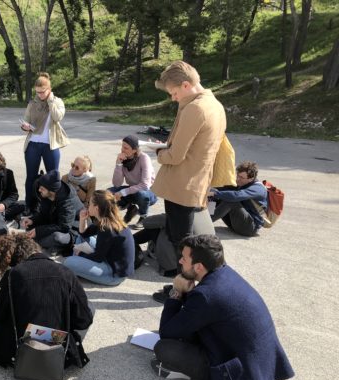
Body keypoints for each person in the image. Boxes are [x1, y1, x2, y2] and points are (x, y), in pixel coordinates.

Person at [152, 235, 294, 380]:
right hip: (261, 367)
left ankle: (191, 373)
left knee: (164, 348)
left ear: (198, 267)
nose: (180, 261)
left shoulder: (206, 295)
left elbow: (166, 332)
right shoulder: (225, 273)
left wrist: (176, 292)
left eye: (184, 258)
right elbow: (199, 312)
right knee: (187, 329)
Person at [152, 61, 226, 266]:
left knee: (182, 244)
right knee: (185, 241)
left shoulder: (195, 109)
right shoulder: (215, 105)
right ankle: (184, 286)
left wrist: (159, 153)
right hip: (196, 183)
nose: (173, 98)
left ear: (186, 85)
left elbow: (175, 155)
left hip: (181, 185)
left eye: (174, 93)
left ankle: (182, 288)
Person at [0, 233, 93, 368]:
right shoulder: (66, 272)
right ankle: (62, 345)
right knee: (89, 308)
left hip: (23, 344)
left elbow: (0, 315)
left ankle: (28, 349)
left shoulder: (13, 275)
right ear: (36, 249)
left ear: (15, 259)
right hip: (58, 343)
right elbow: (84, 320)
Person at [63, 190, 134, 286]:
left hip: (114, 275)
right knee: (80, 239)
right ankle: (78, 265)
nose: (88, 205)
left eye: (90, 203)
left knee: (68, 262)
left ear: (96, 208)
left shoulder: (107, 228)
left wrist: (80, 254)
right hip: (109, 260)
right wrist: (82, 219)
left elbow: (97, 258)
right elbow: (84, 234)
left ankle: (77, 265)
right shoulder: (107, 218)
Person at [21, 72, 69, 211]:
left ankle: (54, 206)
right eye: (37, 92)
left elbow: (57, 117)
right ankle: (30, 205)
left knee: (53, 178)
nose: (40, 95)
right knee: (31, 177)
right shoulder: (32, 103)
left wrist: (50, 101)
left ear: (49, 89)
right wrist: (24, 127)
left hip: (51, 145)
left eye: (42, 92)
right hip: (33, 144)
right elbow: (26, 121)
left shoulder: (57, 102)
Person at [21, 170, 83, 254]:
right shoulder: (46, 194)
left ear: (52, 191)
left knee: (57, 237)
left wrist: (38, 231)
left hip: (71, 231)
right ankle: (44, 243)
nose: (39, 190)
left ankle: (54, 245)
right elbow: (43, 214)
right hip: (54, 223)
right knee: (30, 226)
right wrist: (32, 220)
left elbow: (64, 227)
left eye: (42, 189)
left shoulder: (68, 201)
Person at [109, 134, 157, 229]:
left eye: (126, 148)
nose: (122, 150)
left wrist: (123, 192)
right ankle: (131, 209)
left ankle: (143, 217)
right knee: (108, 193)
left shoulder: (144, 158)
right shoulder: (123, 159)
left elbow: (145, 185)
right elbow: (117, 184)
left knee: (141, 194)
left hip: (148, 192)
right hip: (132, 190)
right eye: (122, 146)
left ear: (134, 150)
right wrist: (118, 164)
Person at [209, 161, 267, 237]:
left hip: (250, 228)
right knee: (219, 194)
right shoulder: (242, 183)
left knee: (231, 200)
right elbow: (223, 190)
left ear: (251, 178)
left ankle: (206, 223)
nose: (237, 179)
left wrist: (215, 193)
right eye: (237, 176)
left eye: (241, 177)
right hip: (235, 223)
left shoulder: (258, 189)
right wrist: (211, 191)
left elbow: (237, 195)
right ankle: (206, 217)